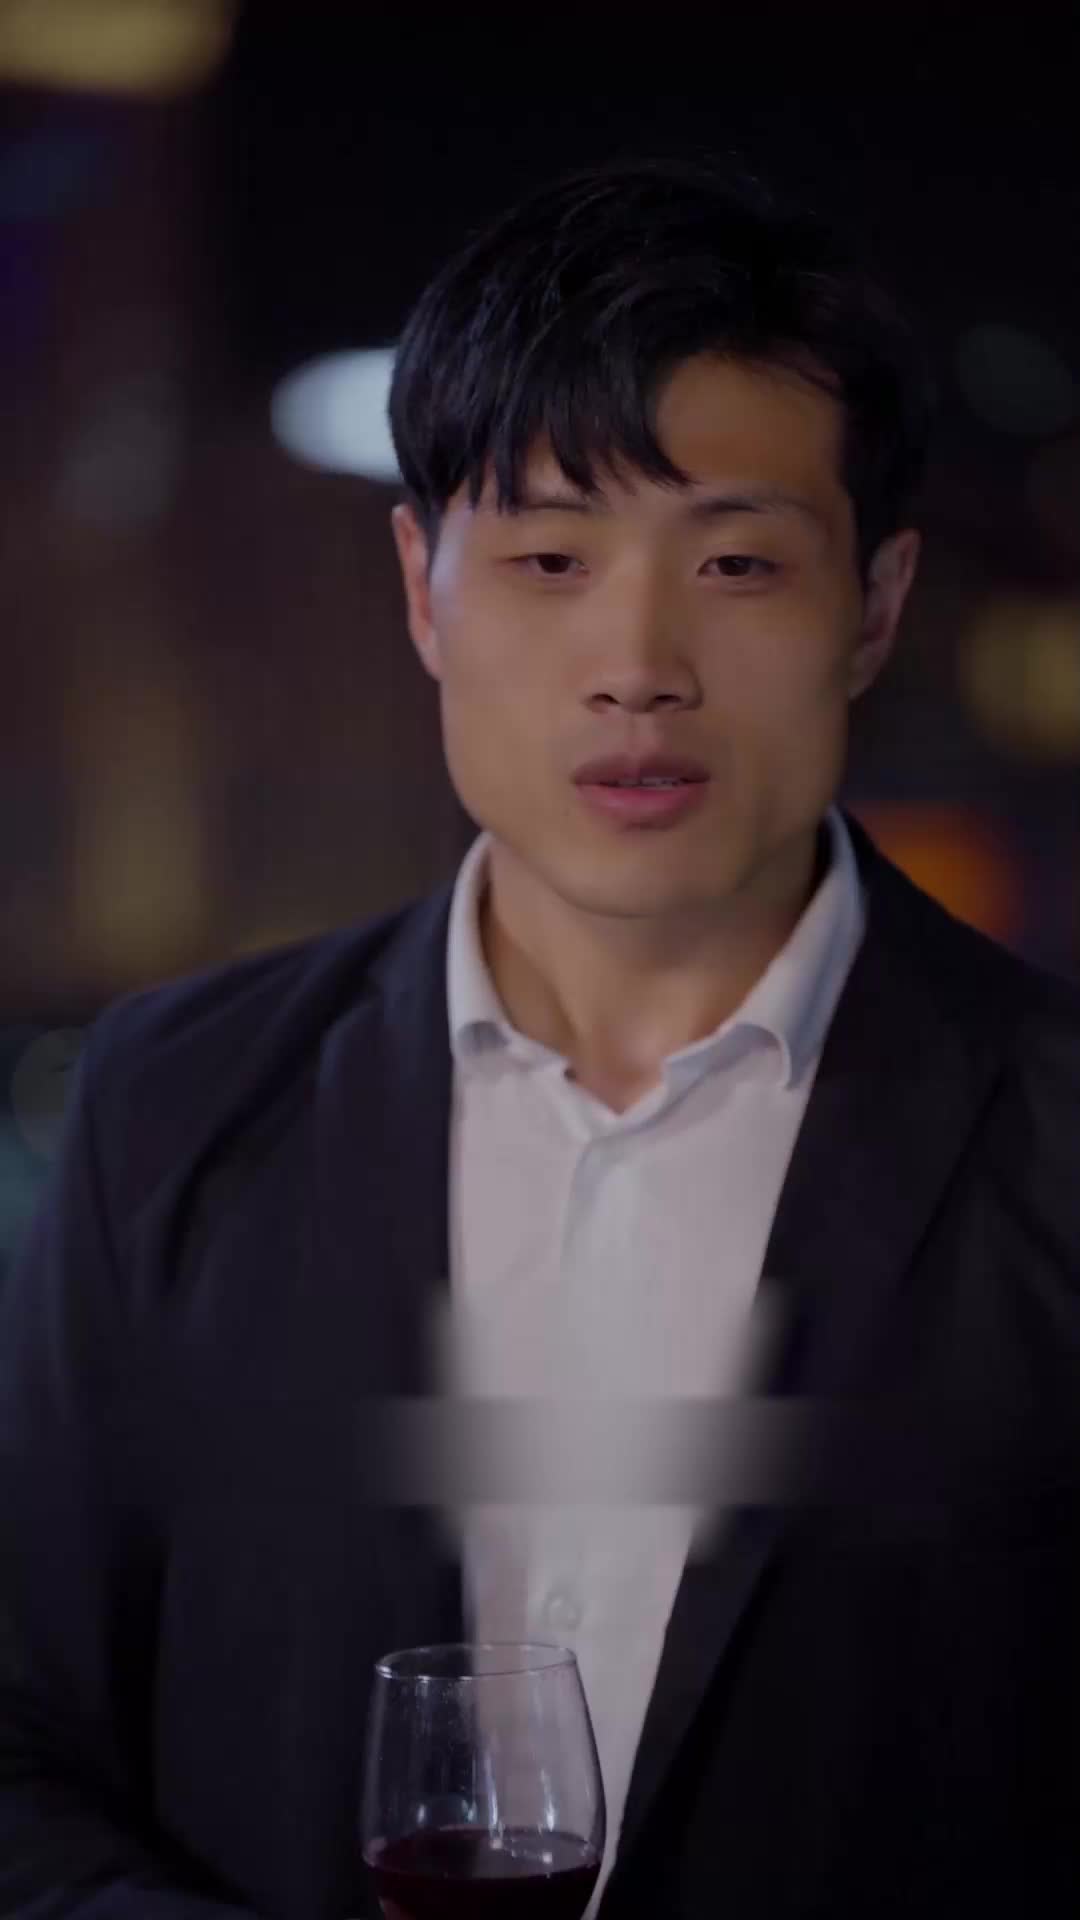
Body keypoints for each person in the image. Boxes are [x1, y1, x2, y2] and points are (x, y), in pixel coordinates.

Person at [2, 153, 1079, 1920]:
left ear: (876, 606)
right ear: (424, 590)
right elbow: (25, 1735)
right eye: (552, 557)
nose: (636, 661)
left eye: (736, 561)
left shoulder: (1050, 1138)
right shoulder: (171, 1108)